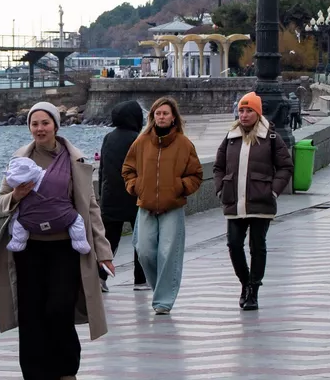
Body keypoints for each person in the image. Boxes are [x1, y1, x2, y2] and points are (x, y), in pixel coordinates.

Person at [0, 102, 113, 380]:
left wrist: (103, 251)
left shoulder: (74, 161)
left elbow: (90, 207)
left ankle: (66, 369)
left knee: (59, 308)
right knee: (31, 313)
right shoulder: (19, 160)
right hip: (30, 249)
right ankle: (35, 373)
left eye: (45, 123)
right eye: (34, 124)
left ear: (56, 126)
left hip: (65, 248)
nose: (39, 129)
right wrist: (16, 196)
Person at [122, 97, 203, 315]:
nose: (161, 117)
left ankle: (163, 301)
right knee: (145, 251)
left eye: (165, 113)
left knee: (169, 253)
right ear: (152, 116)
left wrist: (179, 186)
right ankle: (162, 287)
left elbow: (196, 174)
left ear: (173, 117)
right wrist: (135, 187)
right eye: (158, 113)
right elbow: (128, 169)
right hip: (146, 205)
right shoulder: (141, 142)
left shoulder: (184, 144)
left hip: (172, 207)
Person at [213, 92, 293, 311]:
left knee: (257, 246)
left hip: (261, 202)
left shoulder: (271, 137)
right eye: (241, 110)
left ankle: (254, 291)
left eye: (249, 111)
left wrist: (273, 192)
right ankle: (245, 283)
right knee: (234, 244)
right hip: (234, 201)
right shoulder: (230, 136)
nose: (244, 115)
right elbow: (218, 166)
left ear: (258, 113)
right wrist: (221, 189)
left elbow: (286, 166)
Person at [98, 100, 147, 292]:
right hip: (135, 197)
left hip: (111, 198)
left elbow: (102, 170)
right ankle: (141, 280)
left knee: (109, 241)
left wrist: (102, 196)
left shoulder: (108, 138)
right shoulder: (139, 139)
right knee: (140, 240)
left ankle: (101, 278)